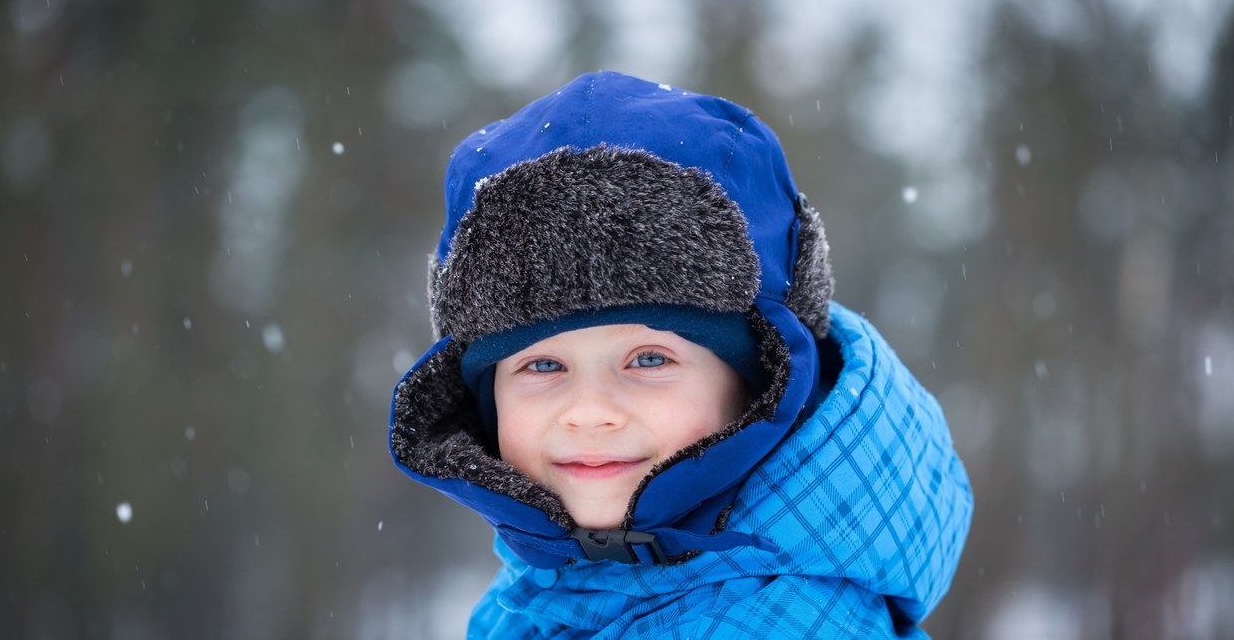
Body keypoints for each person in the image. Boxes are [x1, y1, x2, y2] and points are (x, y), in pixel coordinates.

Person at [389, 71, 973, 638]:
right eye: (543, 366)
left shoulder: (772, 624)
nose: (589, 412)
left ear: (758, 387)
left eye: (648, 360)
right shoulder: (548, 591)